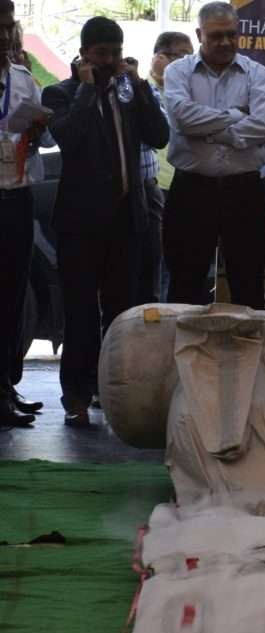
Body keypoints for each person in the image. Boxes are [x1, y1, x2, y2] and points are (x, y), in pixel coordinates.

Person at [43, 16, 169, 427]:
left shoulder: (127, 92)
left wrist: (141, 85)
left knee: (120, 313)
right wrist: (86, 88)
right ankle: (76, 396)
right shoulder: (60, 93)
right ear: (84, 54)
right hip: (80, 224)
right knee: (79, 312)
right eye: (102, 54)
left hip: (126, 222)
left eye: (116, 53)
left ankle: (112, 391)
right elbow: (68, 137)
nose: (110, 61)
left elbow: (159, 135)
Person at [162, 1, 265, 310]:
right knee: (184, 287)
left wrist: (210, 131)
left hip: (245, 191)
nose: (225, 42)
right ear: (199, 34)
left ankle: (247, 345)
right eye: (216, 35)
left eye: (231, 34)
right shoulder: (177, 71)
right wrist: (238, 116)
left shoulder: (258, 73)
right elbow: (182, 119)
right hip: (191, 190)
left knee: (248, 286)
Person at [0, 0, 49, 428]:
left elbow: (42, 140)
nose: (3, 36)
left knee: (14, 295)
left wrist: (37, 131)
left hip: (17, 195)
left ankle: (5, 387)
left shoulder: (22, 78)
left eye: (7, 27)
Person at [136, 31, 192, 305]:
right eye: (182, 57)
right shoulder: (140, 90)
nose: (189, 63)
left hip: (184, 183)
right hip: (154, 186)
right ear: (160, 57)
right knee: (154, 263)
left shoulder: (188, 90)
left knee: (180, 260)